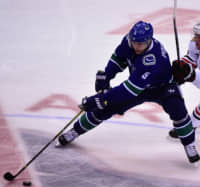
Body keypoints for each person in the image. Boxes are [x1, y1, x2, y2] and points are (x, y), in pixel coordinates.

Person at [56, 21, 200, 163]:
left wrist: (101, 99)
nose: (136, 46)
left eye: (141, 43)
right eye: (134, 42)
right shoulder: (128, 40)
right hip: (139, 86)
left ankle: (189, 144)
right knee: (105, 107)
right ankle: (75, 131)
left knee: (178, 110)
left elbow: (130, 90)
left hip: (162, 87)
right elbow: (119, 59)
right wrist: (107, 75)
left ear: (149, 40)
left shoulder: (152, 59)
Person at [169, 22, 200, 139]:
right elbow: (192, 58)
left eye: (199, 37)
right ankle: (191, 126)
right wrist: (182, 65)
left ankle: (191, 126)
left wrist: (189, 74)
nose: (196, 39)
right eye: (196, 35)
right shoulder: (194, 43)